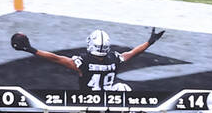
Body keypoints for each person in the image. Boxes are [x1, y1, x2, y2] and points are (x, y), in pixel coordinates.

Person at [10, 28, 164, 92]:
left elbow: (55, 58)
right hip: (109, 99)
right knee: (123, 88)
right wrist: (149, 42)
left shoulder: (82, 62)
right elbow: (133, 53)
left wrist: (31, 49)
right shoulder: (115, 59)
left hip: (86, 100)